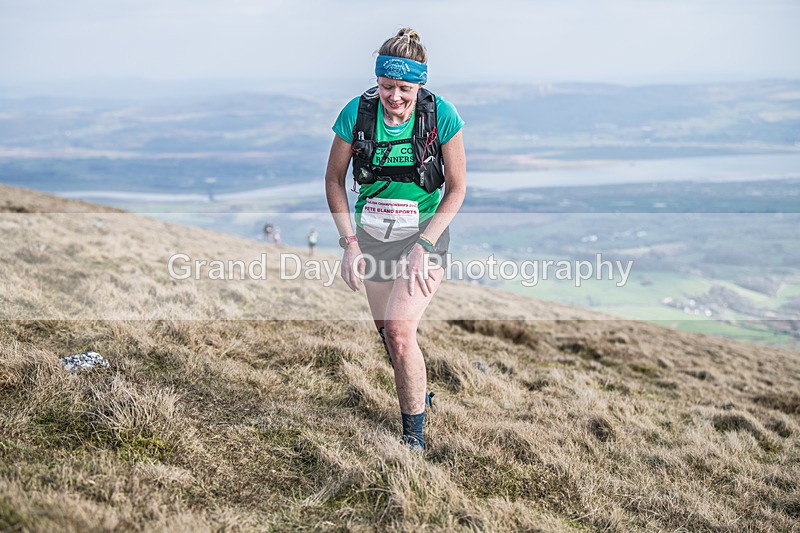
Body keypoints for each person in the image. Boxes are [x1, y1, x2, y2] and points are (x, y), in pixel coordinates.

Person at [325, 28, 466, 452]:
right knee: (388, 334)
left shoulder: (442, 115)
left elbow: (457, 188)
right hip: (372, 235)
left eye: (405, 88)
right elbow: (333, 180)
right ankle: (419, 392)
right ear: (377, 81)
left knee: (401, 332)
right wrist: (349, 243)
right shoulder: (357, 113)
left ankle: (413, 438)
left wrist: (424, 247)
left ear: (420, 84)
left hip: (424, 236)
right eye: (387, 86)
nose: (395, 97)